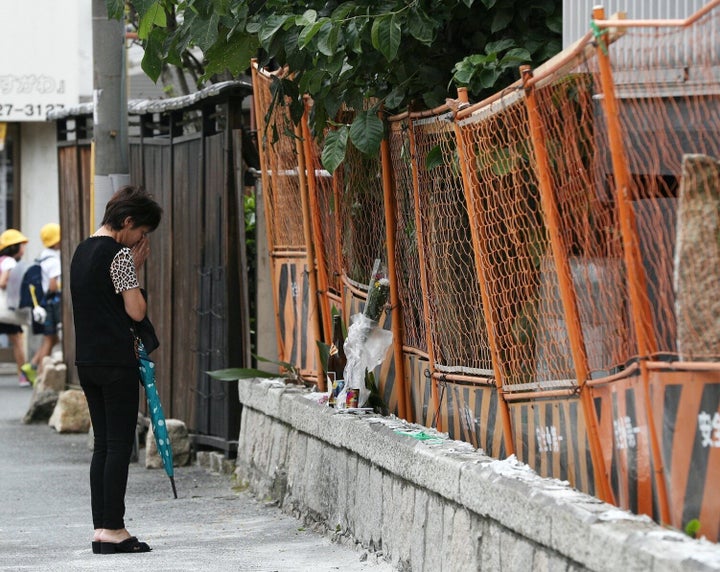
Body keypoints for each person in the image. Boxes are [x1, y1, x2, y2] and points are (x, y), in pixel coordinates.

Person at [70, 186, 162, 554]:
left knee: (103, 447)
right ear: (127, 222)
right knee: (120, 446)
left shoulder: (81, 250)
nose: (142, 240)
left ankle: (101, 528)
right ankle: (114, 529)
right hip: (115, 362)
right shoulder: (120, 255)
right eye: (142, 232)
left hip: (87, 361)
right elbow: (136, 311)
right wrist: (134, 269)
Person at [21, 223, 62, 384]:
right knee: (50, 339)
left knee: (50, 339)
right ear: (56, 241)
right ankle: (38, 373)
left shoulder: (43, 255)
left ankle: (32, 367)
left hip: (43, 304)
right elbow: (53, 285)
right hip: (51, 304)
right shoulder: (54, 259)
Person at [0, 229, 29, 386]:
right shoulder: (10, 262)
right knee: (17, 340)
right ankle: (23, 376)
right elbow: (3, 282)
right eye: (22, 245)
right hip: (6, 309)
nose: (23, 249)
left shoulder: (1, 259)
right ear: (14, 247)